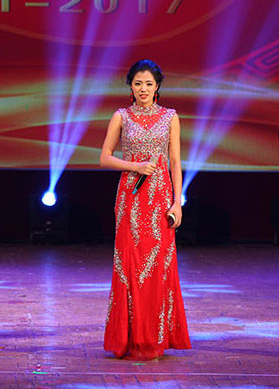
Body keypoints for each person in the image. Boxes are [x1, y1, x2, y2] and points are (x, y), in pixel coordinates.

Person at [99, 59, 191, 360]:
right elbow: (105, 158)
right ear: (130, 86)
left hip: (160, 199)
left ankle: (154, 337)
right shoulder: (121, 116)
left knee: (158, 267)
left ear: (157, 87)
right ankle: (129, 338)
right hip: (131, 198)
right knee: (130, 264)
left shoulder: (170, 117)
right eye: (138, 83)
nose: (143, 89)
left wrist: (177, 202)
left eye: (149, 84)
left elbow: (175, 162)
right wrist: (134, 166)